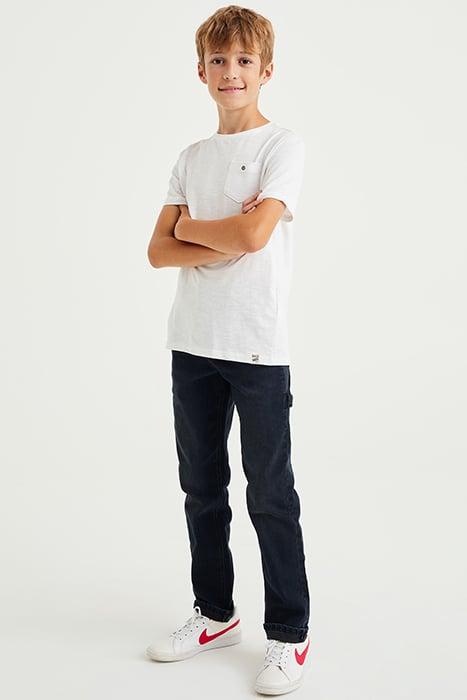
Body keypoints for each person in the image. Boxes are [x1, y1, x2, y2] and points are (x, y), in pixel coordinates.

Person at [145, 5, 311, 695]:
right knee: (201, 490)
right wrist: (217, 233)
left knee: (269, 494)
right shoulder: (190, 158)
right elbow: (158, 252)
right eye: (219, 60)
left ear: (266, 70)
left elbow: (253, 238)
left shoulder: (282, 147)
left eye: (244, 60)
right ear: (201, 72)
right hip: (192, 343)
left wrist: (194, 228)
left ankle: (289, 635)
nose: (231, 72)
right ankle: (215, 614)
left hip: (256, 348)